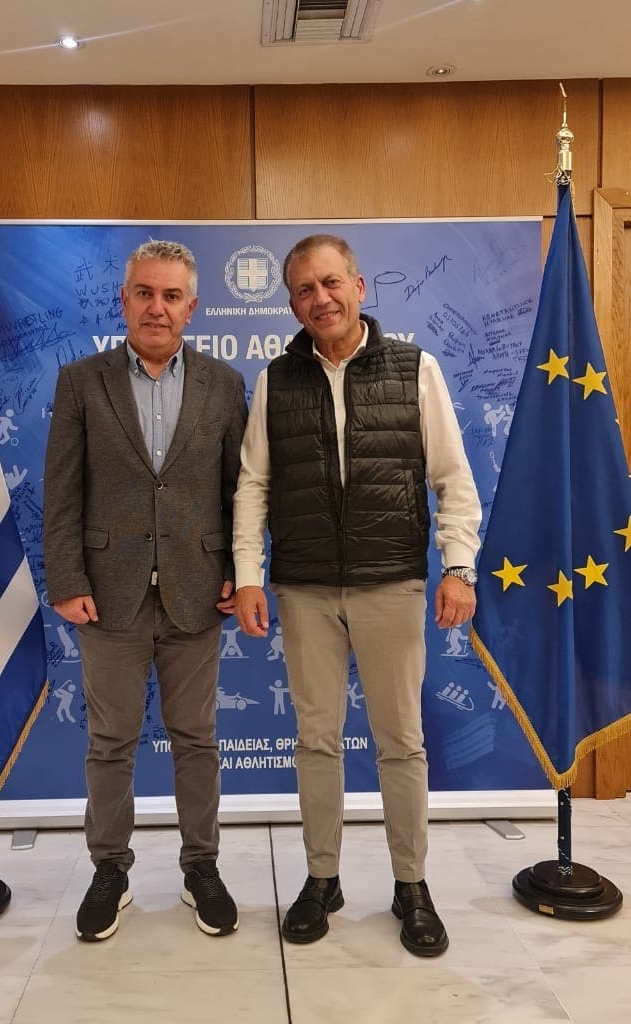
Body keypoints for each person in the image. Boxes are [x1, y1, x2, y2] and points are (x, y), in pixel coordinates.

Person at [233, 234, 481, 957]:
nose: (322, 299)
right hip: (304, 587)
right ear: (292, 304)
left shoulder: (415, 369)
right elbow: (253, 485)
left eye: (331, 282)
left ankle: (412, 886)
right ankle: (322, 878)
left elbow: (452, 477)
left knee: (401, 742)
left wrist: (459, 567)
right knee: (316, 740)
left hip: (390, 582)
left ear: (359, 286)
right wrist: (248, 575)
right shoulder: (276, 381)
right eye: (305, 290)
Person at [44, 240, 247, 942]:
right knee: (110, 742)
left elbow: (240, 491)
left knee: (197, 738)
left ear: (192, 307)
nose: (156, 308)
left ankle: (201, 867)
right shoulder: (81, 381)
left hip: (199, 592)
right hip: (107, 596)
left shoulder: (224, 384)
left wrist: (240, 570)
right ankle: (110, 870)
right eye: (144, 293)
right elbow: (61, 491)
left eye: (171, 296)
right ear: (124, 299)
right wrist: (67, 580)